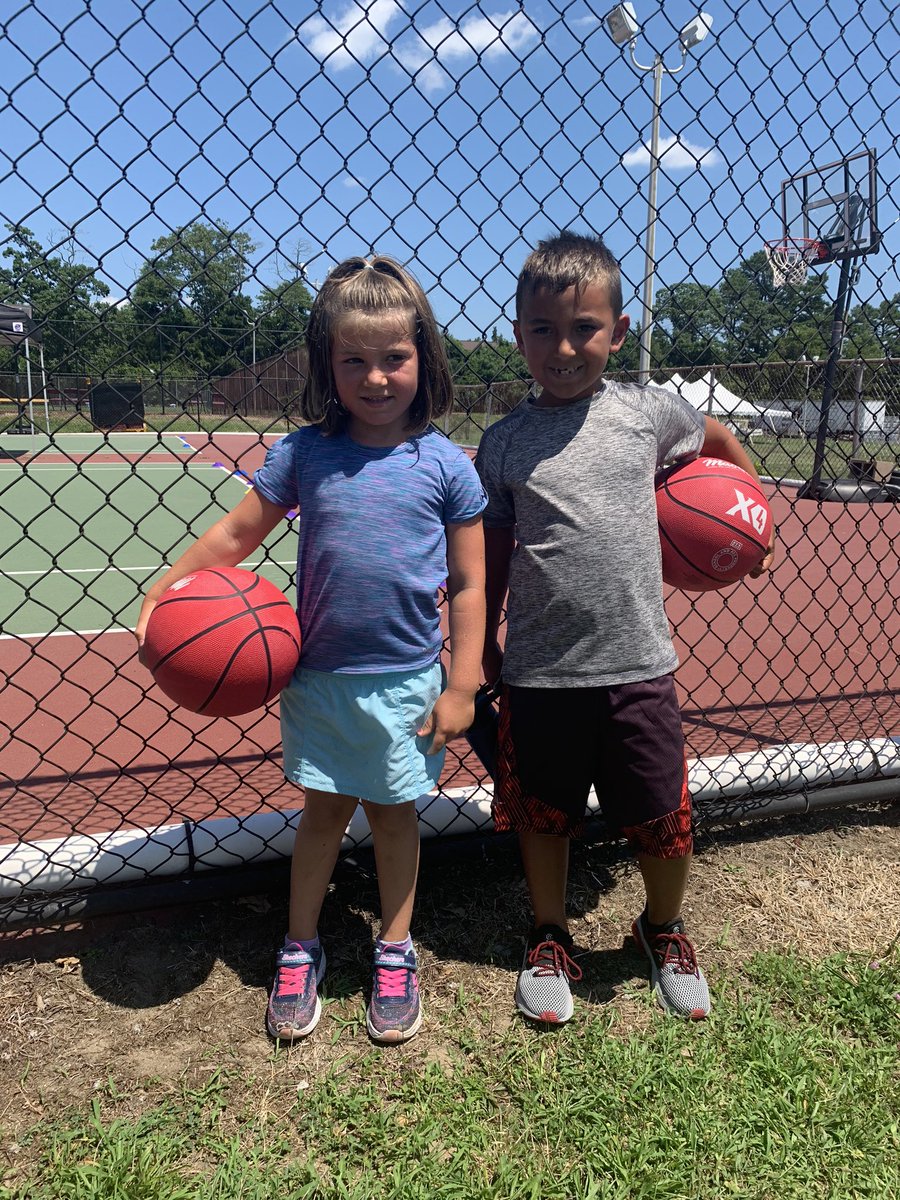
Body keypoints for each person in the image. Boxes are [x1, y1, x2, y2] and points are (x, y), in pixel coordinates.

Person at [135, 255, 486, 1044]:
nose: (375, 377)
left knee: (394, 819)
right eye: (353, 359)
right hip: (320, 680)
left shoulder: (445, 465)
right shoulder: (305, 453)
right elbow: (237, 533)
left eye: (393, 357)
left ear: (424, 357)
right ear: (327, 365)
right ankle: (301, 945)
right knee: (322, 814)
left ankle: (395, 948)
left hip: (406, 683)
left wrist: (462, 685)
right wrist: (168, 590)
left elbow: (469, 585)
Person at [475, 230, 775, 1025]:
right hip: (538, 672)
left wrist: (754, 525)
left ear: (618, 332)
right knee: (543, 815)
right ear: (517, 334)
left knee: (661, 815)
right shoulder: (502, 444)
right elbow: (493, 557)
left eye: (584, 328)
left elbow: (717, 439)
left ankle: (662, 928)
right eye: (543, 329)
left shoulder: (647, 413)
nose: (563, 347)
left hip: (639, 664)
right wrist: (479, 649)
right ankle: (549, 934)